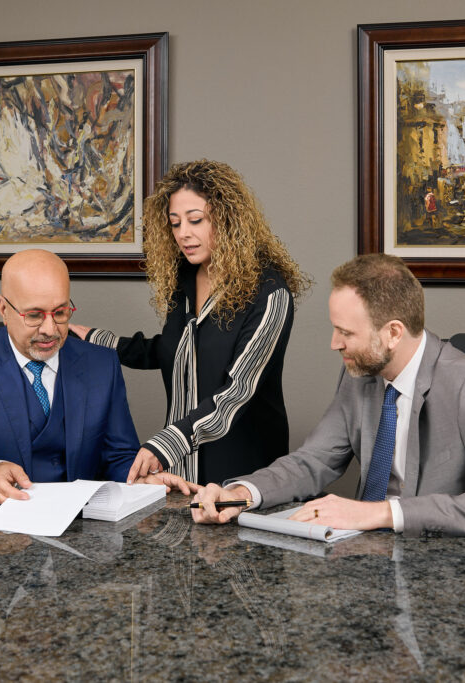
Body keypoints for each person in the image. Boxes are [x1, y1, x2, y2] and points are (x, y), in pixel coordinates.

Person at [191, 253, 465, 537]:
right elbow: (312, 460)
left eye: (346, 332)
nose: (334, 344)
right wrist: (240, 494)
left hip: (440, 574)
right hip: (366, 560)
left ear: (392, 333)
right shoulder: (361, 374)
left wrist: (381, 513)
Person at [71, 160, 311, 486]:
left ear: (227, 219)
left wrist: (166, 444)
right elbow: (172, 351)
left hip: (243, 478)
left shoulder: (269, 294)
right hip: (179, 475)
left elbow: (236, 393)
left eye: (195, 220)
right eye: (174, 223)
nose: (183, 233)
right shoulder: (182, 282)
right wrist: (100, 340)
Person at [0, 249, 192, 502]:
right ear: (3, 308)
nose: (49, 329)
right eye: (33, 315)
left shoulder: (102, 363)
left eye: (60, 312)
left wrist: (140, 481)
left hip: (81, 531)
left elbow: (118, 457)